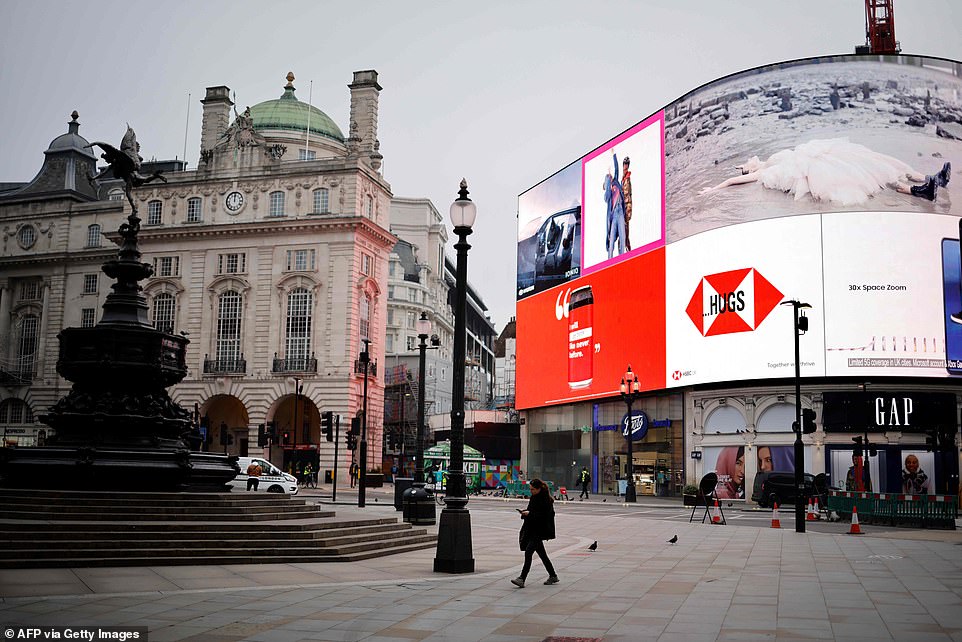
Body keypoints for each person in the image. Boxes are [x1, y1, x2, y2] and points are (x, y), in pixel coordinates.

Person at [700, 138, 951, 204]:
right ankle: (920, 191)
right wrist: (715, 188)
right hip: (822, 173)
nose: (749, 164)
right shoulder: (767, 172)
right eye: (747, 168)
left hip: (825, 160)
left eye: (747, 163)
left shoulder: (776, 159)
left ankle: (929, 180)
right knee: (870, 178)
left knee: (874, 162)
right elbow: (733, 181)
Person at [511, 479, 558, 588]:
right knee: (543, 555)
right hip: (533, 530)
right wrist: (524, 513)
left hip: (539, 531)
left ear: (539, 489)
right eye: (530, 489)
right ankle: (553, 575)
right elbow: (531, 511)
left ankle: (522, 578)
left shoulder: (546, 500)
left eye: (533, 489)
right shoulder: (534, 498)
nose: (531, 491)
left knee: (528, 553)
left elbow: (544, 517)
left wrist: (530, 514)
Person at [604, 152, 627, 259]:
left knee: (623, 238)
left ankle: (622, 261)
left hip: (620, 212)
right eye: (608, 177)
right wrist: (607, 182)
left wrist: (614, 155)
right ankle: (610, 261)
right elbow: (606, 197)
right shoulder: (608, 193)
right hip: (613, 217)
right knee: (611, 240)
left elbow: (617, 168)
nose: (610, 176)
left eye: (610, 176)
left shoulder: (616, 182)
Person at [621, 155, 632, 251]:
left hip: (626, 207)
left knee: (625, 230)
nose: (625, 166)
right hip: (622, 207)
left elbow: (626, 192)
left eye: (626, 164)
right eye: (624, 164)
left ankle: (628, 249)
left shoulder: (627, 178)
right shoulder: (623, 177)